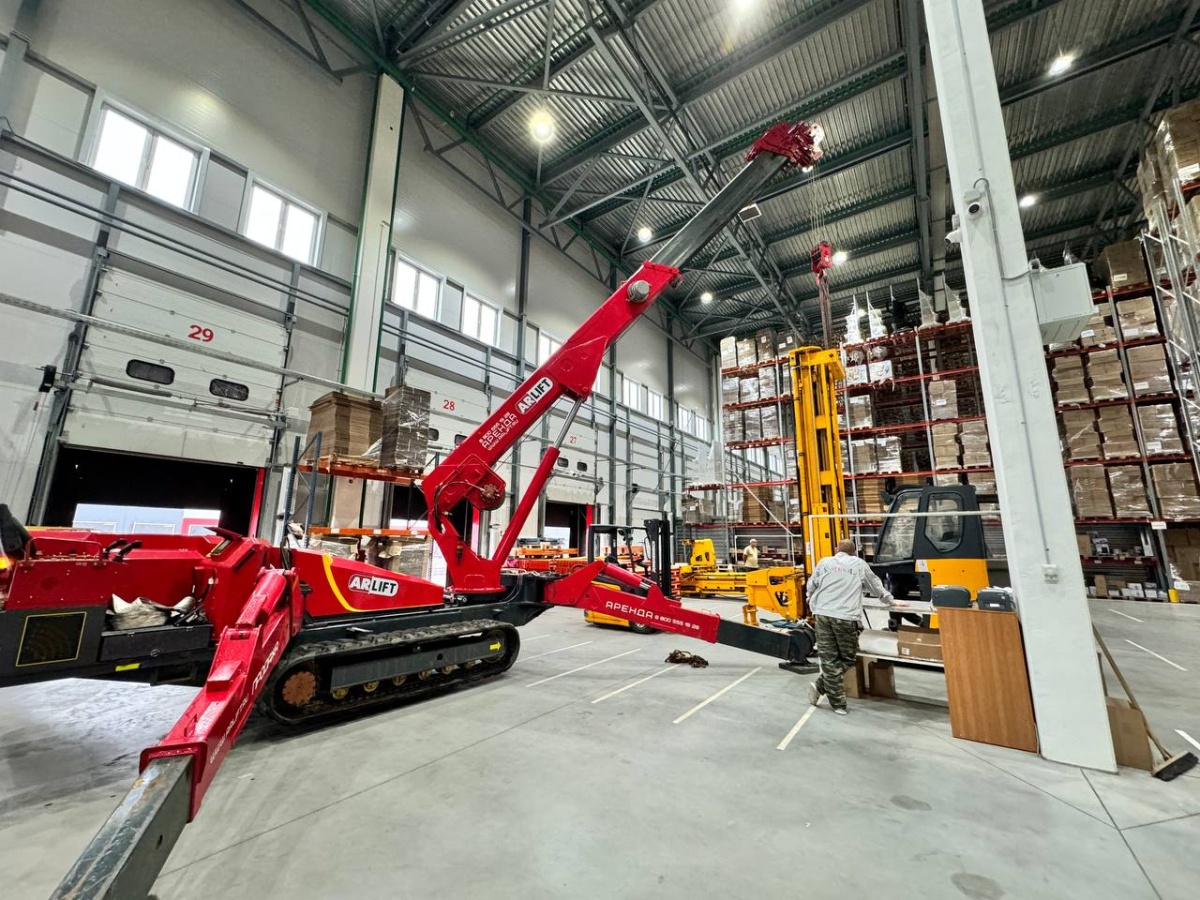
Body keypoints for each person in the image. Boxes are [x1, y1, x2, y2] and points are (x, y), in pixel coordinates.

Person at [806, 539, 904, 716]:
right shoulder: (859, 564)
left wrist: (809, 597)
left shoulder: (824, 562)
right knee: (848, 657)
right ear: (853, 552)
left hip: (822, 614)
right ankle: (837, 703)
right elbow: (875, 585)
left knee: (828, 659)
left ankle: (821, 686)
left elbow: (812, 584)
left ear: (836, 549)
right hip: (845, 617)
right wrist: (890, 601)